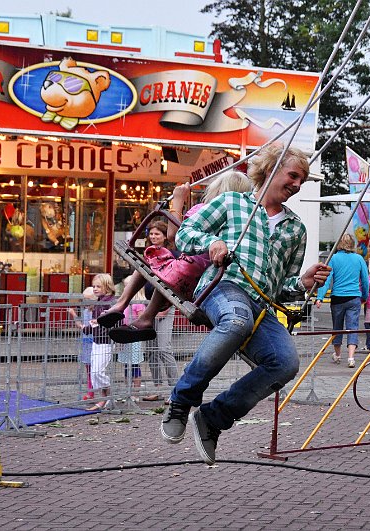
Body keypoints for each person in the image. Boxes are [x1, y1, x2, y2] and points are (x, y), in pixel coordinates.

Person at [160, 144, 331, 465]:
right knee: (236, 319)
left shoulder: (296, 229)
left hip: (260, 304)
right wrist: (213, 242)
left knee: (285, 362)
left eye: (302, 180)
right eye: (293, 175)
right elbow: (185, 235)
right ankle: (181, 402)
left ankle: (213, 418)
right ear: (271, 168)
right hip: (223, 287)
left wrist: (304, 283)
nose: (297, 184)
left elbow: (282, 289)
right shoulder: (233, 203)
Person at [99, 171, 253, 342]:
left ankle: (123, 305)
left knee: (155, 258)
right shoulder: (242, 223)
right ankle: (143, 316)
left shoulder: (205, 210)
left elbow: (174, 236)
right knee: (165, 266)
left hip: (189, 272)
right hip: (207, 282)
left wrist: (178, 201)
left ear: (217, 189)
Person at [316, 234, 370, 368]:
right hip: (354, 298)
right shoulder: (359, 259)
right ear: (353, 244)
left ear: (340, 244)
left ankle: (338, 355)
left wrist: (320, 297)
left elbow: (326, 279)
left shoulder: (334, 258)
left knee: (337, 327)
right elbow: (364, 280)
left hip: (337, 298)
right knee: (353, 327)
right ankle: (351, 357)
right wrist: (365, 296)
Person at [82, 273, 118, 410]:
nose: (95, 289)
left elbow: (116, 319)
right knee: (94, 372)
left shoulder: (110, 302)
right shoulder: (99, 302)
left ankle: (107, 393)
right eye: (94, 286)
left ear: (107, 287)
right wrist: (89, 328)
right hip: (96, 340)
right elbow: (96, 322)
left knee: (98, 371)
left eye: (98, 286)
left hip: (106, 341)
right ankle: (105, 397)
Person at [68, 286, 97, 400]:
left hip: (93, 342)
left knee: (94, 368)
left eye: (87, 299)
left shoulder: (95, 312)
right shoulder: (86, 311)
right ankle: (91, 391)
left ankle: (93, 391)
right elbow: (82, 326)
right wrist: (75, 315)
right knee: (88, 368)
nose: (85, 302)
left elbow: (84, 327)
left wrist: (74, 316)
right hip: (86, 342)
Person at [117, 298, 146, 400]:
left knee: (134, 365)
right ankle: (128, 391)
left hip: (134, 337)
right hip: (125, 336)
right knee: (126, 365)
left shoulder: (138, 304)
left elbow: (141, 320)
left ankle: (135, 393)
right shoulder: (125, 303)